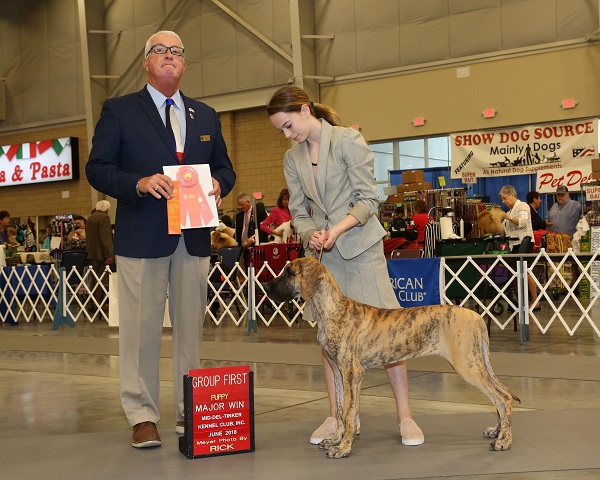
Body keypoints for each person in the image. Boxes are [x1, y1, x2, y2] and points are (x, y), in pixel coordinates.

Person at [85, 30, 236, 449]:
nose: (168, 56)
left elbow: (225, 168)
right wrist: (137, 182)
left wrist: (219, 185)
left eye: (176, 52)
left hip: (193, 239)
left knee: (191, 332)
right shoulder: (118, 111)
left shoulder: (205, 114)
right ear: (146, 64)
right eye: (159, 51)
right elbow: (97, 168)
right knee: (140, 332)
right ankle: (142, 415)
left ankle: (191, 412)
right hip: (142, 237)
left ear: (184, 65)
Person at [266, 85, 424, 447]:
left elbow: (368, 197)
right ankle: (338, 416)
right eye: (282, 131)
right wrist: (312, 235)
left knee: (388, 334)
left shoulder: (350, 141)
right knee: (330, 338)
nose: (288, 135)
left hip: (361, 248)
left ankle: (405, 416)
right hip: (324, 257)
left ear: (306, 111)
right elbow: (298, 210)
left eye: (289, 125)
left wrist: (335, 230)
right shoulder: (293, 159)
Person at [498, 185, 539, 310]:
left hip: (524, 242)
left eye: (505, 198)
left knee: (525, 271)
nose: (503, 202)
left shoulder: (522, 206)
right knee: (516, 273)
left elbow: (523, 222)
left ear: (512, 195)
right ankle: (522, 302)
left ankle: (535, 300)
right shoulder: (510, 212)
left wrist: (507, 217)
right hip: (514, 244)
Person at [85, 200, 114, 309]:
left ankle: (92, 303)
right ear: (106, 209)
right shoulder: (105, 218)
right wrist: (109, 255)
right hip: (102, 255)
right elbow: (105, 238)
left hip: (91, 253)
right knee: (101, 280)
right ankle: (98, 304)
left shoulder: (90, 218)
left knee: (94, 279)